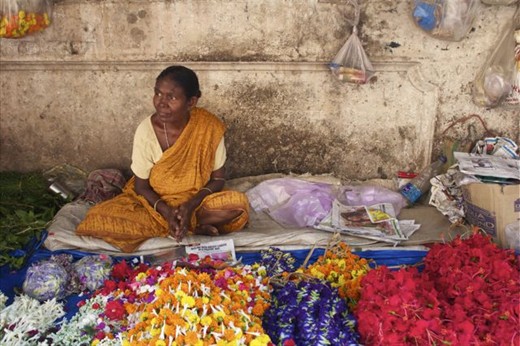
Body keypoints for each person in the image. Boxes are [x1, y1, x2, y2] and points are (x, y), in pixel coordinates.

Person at [76, 65, 249, 252]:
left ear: (191, 101)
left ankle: (183, 223)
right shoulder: (146, 131)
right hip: (153, 204)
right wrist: (166, 212)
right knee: (99, 218)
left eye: (171, 97)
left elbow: (218, 179)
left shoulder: (209, 127)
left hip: (196, 202)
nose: (161, 103)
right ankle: (190, 226)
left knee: (238, 205)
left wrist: (190, 205)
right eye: (158, 94)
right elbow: (141, 186)